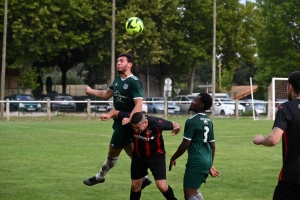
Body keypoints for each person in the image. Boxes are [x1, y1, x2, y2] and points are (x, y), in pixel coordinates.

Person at [83, 52, 151, 188]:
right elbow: (106, 94)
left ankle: (99, 176)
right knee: (131, 152)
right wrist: (91, 91)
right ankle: (144, 177)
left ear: (129, 64)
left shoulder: (134, 82)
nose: (118, 63)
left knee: (112, 153)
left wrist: (130, 119)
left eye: (121, 61)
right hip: (121, 121)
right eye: (117, 61)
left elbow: (139, 104)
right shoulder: (117, 80)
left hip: (126, 124)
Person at [101, 110, 180, 200]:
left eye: (138, 128)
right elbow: (116, 112)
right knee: (135, 186)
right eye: (134, 128)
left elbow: (174, 124)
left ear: (145, 122)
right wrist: (108, 115)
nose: (136, 130)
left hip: (156, 156)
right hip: (138, 157)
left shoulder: (156, 122)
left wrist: (177, 127)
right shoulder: (131, 118)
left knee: (161, 186)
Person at [253, 71, 300, 200]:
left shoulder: (286, 108)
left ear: (290, 87)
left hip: (292, 175)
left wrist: (261, 140)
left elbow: (273, 139)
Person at [169, 93, 220, 200]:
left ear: (201, 105)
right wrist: (210, 163)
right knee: (194, 192)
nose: (192, 102)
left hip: (196, 161)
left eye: (195, 100)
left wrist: (173, 157)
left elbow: (185, 144)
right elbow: (213, 146)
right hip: (206, 160)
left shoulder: (192, 121)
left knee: (189, 195)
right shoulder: (209, 121)